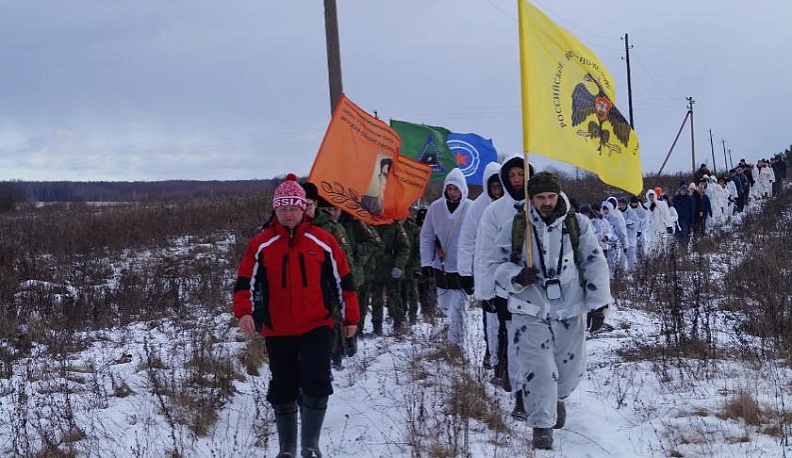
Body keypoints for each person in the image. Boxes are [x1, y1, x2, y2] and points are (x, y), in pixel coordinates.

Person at [232, 173, 359, 458]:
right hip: (279, 328)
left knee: (317, 380)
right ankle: (287, 449)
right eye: (283, 209)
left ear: (304, 209)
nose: (288, 214)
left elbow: (344, 281)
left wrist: (351, 318)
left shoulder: (323, 240)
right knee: (283, 385)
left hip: (318, 324)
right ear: (275, 210)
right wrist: (244, 312)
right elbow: (244, 283)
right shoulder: (261, 244)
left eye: (293, 208)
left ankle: (310, 445)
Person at [486, 172, 612, 450]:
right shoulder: (516, 227)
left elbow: (594, 263)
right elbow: (495, 264)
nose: (546, 202)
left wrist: (599, 304)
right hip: (529, 309)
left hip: (569, 308)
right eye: (540, 197)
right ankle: (542, 425)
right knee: (538, 369)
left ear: (558, 196)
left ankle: (557, 399)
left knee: (568, 371)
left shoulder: (578, 225)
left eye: (551, 197)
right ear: (532, 198)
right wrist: (517, 276)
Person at [474, 155, 534, 418]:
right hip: (507, 291)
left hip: (541, 290)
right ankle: (521, 396)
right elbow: (485, 254)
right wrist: (486, 292)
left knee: (543, 344)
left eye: (521, 175)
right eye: (512, 176)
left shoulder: (544, 203)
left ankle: (545, 393)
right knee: (516, 343)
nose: (517, 180)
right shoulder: (494, 212)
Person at [420, 168, 473, 352]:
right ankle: (447, 333)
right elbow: (426, 236)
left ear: (462, 189)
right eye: (449, 188)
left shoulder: (471, 208)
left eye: (455, 188)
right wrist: (426, 262)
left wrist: (474, 268)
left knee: (458, 306)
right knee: (445, 306)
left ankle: (455, 344)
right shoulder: (435, 208)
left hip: (463, 267)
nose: (452, 192)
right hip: (441, 265)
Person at [456, 161, 503, 369]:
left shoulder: (512, 203)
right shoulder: (477, 207)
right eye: (493, 186)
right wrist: (466, 272)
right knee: (491, 316)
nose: (497, 190)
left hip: (509, 271)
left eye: (500, 185)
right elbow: (466, 241)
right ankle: (492, 354)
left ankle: (505, 356)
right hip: (486, 271)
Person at [370, 220, 411, 336]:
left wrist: (399, 266)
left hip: (392, 267)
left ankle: (399, 325)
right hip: (375, 267)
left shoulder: (395, 226)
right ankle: (376, 327)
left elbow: (405, 248)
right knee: (375, 299)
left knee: (395, 297)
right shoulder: (369, 224)